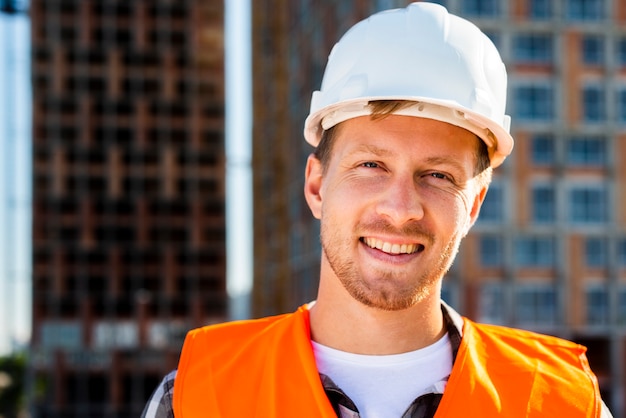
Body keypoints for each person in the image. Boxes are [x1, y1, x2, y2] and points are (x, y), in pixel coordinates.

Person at [142, 2, 613, 417]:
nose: (402, 208)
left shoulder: (562, 404)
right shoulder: (196, 397)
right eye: (371, 165)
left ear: (474, 205)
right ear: (317, 185)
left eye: (439, 176)